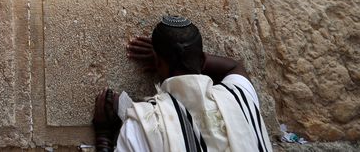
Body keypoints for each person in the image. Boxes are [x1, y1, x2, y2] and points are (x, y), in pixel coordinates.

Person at [93, 15, 273, 152]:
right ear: (203, 59)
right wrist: (183, 56)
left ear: (157, 62)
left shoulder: (145, 124)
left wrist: (103, 135)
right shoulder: (240, 99)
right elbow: (234, 67)